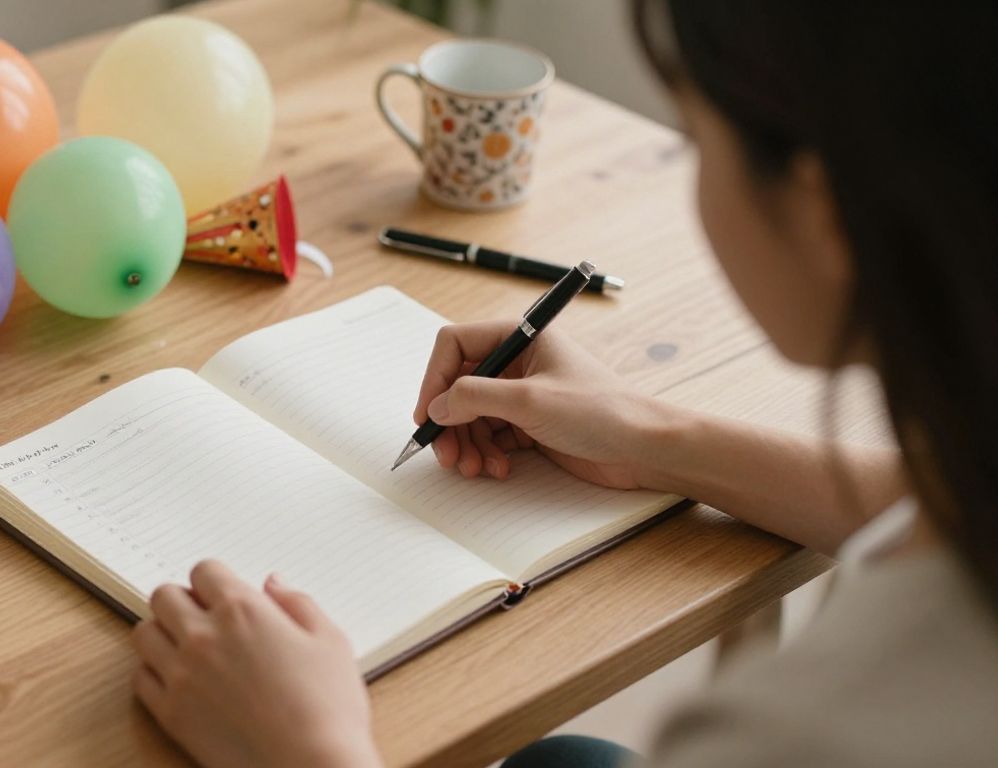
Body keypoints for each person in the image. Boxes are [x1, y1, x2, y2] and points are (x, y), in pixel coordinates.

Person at [125, 0, 998, 765]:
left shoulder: (807, 734)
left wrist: (306, 748)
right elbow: (944, 505)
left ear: (825, 212)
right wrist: (650, 440)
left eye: (695, 141)